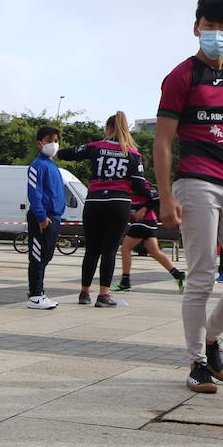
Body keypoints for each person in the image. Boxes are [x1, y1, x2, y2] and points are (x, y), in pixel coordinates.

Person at [155, 0, 223, 394]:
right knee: (201, 276)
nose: (216, 33)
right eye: (209, 25)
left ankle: (213, 338)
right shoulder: (181, 76)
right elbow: (163, 141)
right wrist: (166, 196)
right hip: (195, 182)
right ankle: (197, 363)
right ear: (196, 27)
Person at [59, 112, 149, 307]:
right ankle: (104, 295)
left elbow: (69, 152)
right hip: (118, 203)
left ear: (108, 129)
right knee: (109, 250)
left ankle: (84, 293)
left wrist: (51, 149)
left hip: (94, 203)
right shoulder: (134, 155)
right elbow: (140, 186)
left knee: (92, 249)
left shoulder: (96, 147)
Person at [115, 179, 187, 294]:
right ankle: (178, 274)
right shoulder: (129, 182)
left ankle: (125, 282)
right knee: (154, 252)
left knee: (125, 249)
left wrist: (143, 210)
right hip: (147, 222)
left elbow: (157, 197)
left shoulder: (140, 182)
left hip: (143, 222)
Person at [24, 126, 64, 309]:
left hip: (54, 217)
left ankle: (39, 292)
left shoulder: (52, 166)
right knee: (38, 257)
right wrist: (41, 216)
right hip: (42, 218)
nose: (53, 145)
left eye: (56, 141)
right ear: (40, 143)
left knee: (46, 256)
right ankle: (35, 295)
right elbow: (34, 193)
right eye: (49, 141)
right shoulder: (37, 166)